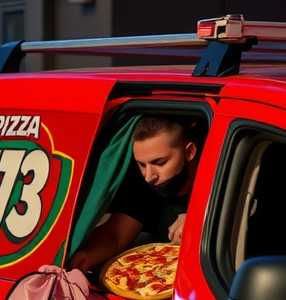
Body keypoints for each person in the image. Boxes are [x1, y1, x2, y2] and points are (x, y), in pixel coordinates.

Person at [68, 115, 200, 273]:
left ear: (190, 152)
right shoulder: (143, 187)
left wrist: (199, 219)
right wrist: (86, 256)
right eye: (142, 164)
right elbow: (115, 234)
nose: (149, 176)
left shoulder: (222, 178)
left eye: (160, 163)